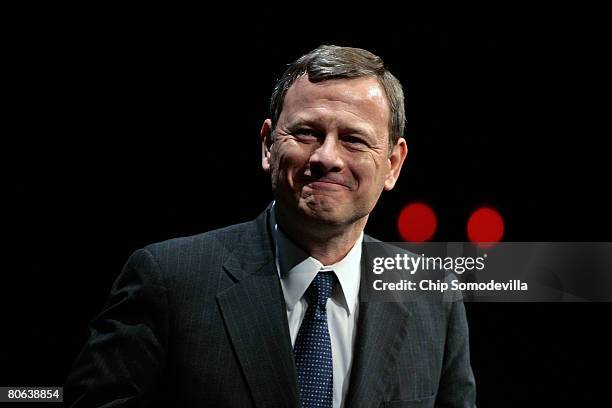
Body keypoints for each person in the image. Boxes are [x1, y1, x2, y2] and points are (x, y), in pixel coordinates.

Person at [65, 45, 476, 407]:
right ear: (268, 145)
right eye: (306, 133)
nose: (327, 157)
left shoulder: (434, 294)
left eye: (354, 139)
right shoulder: (168, 280)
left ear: (392, 164)